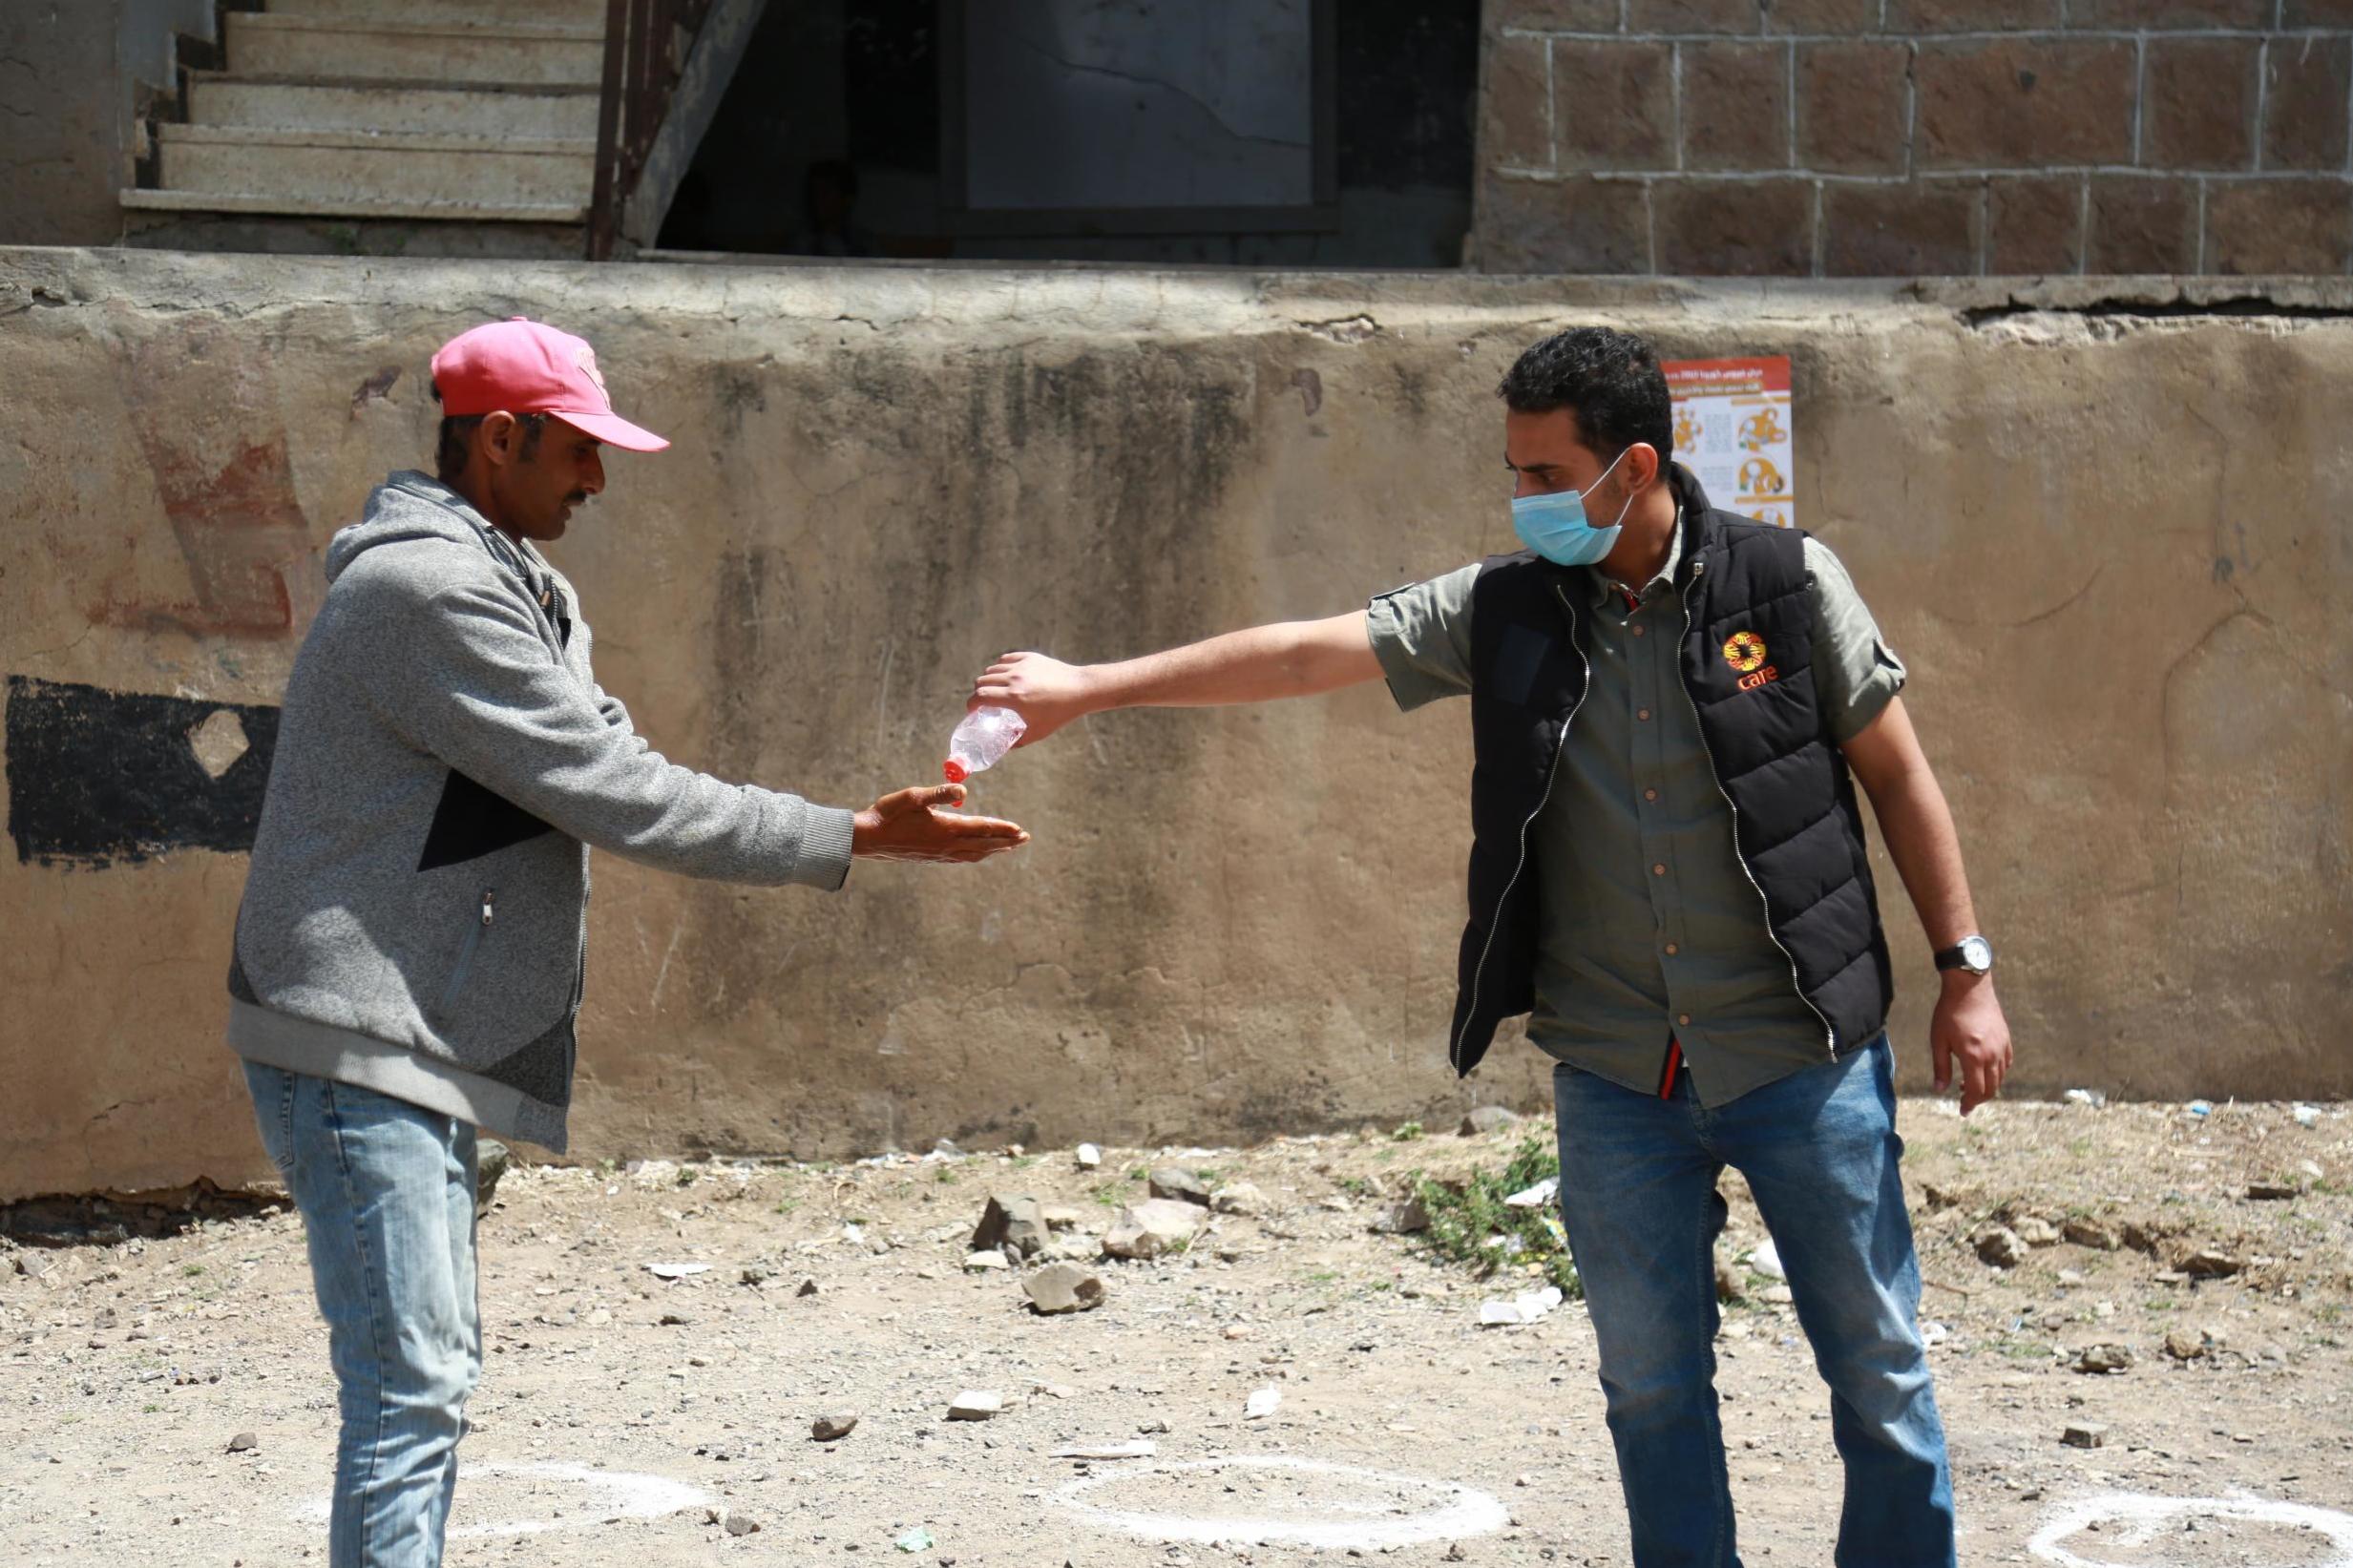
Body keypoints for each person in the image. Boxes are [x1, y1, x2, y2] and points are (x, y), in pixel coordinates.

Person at [969, 325, 2011, 1568]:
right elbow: (1314, 651)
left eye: (1538, 476)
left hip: (1801, 1058)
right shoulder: (1506, 610)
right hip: (1620, 1078)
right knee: (1651, 1393)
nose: (1520, 502)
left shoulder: (1783, 586)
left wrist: (1966, 973)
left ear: (1630, 468)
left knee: (1880, 1379)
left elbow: (1898, 778)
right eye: (1510, 475)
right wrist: (1090, 686)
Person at [225, 317, 1027, 1567]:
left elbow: (617, 763)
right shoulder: (429, 588)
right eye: (578, 452)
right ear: (501, 439)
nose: (596, 480)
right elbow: (617, 791)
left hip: (405, 1033)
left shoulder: (518, 584)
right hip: (354, 1036)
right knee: (411, 1389)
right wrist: (854, 837)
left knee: (418, 1385)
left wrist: (854, 833)